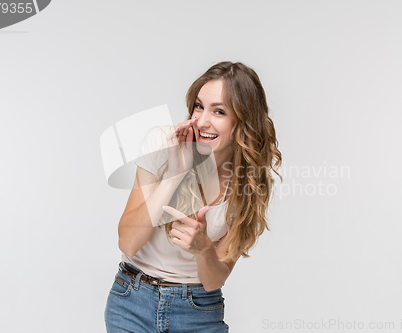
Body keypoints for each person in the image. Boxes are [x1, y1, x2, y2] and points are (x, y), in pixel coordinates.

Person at [104, 61, 282, 333]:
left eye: (219, 111)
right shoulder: (163, 143)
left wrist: (204, 249)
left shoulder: (249, 183)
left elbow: (213, 281)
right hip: (132, 301)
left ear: (243, 121)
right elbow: (127, 243)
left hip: (198, 311)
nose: (201, 121)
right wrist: (177, 172)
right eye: (199, 106)